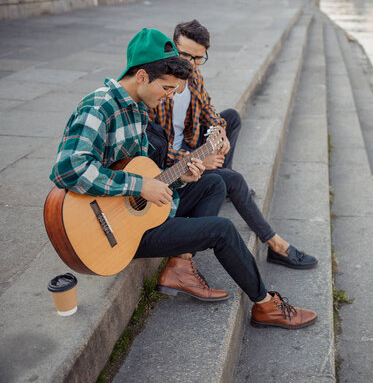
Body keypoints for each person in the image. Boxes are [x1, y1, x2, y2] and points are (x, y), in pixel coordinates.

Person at [49, 28, 317, 329]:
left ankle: (182, 264)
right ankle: (265, 305)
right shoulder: (99, 108)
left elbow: (141, 171)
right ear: (140, 76)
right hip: (112, 233)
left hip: (131, 213)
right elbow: (68, 169)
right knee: (222, 229)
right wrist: (141, 185)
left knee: (213, 182)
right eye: (165, 88)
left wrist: (179, 177)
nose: (169, 95)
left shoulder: (138, 108)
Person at [150, 19, 318, 270]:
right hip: (171, 163)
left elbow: (210, 110)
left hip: (188, 144)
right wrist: (198, 160)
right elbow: (154, 150)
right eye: (185, 55)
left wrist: (220, 132)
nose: (190, 64)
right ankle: (276, 245)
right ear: (173, 47)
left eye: (198, 58)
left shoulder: (194, 77)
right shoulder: (160, 86)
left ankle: (222, 177)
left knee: (231, 117)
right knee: (234, 179)